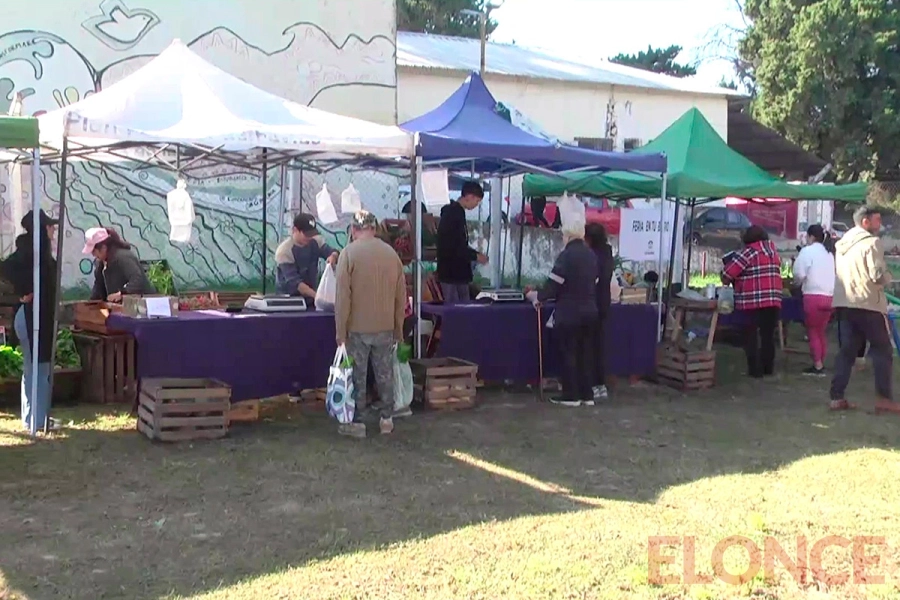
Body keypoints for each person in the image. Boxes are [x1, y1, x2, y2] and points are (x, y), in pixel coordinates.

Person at [335, 211, 407, 436]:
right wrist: (398, 328)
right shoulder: (391, 254)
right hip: (385, 326)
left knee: (358, 375)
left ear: (353, 230)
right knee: (384, 372)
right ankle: (387, 419)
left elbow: (342, 298)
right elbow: (400, 296)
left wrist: (340, 331)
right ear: (374, 229)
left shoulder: (348, 254)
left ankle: (357, 422)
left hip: (357, 327)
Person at [829, 205, 897, 413]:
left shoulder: (842, 245)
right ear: (865, 222)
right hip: (868, 302)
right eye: (877, 220)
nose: (880, 225)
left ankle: (836, 396)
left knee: (847, 352)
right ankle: (884, 398)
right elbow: (876, 275)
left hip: (845, 301)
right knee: (883, 350)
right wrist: (889, 278)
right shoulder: (872, 243)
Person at [525, 220, 599, 407]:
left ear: (566, 236)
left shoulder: (566, 256)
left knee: (569, 353)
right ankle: (587, 394)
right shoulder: (591, 255)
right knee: (586, 354)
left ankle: (571, 395)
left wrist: (536, 296)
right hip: (590, 310)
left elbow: (553, 286)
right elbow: (595, 281)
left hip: (569, 312)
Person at [0, 210, 58, 432]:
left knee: (35, 370)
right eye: (50, 226)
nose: (53, 229)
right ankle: (37, 420)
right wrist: (22, 293)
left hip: (36, 315)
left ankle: (34, 418)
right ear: (43, 229)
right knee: (39, 370)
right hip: (32, 316)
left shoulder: (37, 252)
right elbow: (6, 268)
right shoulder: (31, 252)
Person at [722, 225, 783, 378]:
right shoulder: (773, 252)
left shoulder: (748, 253)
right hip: (773, 299)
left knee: (750, 336)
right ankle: (768, 368)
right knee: (768, 336)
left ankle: (755, 371)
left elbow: (727, 274)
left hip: (752, 301)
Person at [791, 224, 835, 376]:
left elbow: (799, 275)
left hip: (813, 297)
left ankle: (817, 365)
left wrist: (796, 283)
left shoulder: (807, 251)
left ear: (810, 236)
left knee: (812, 331)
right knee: (821, 332)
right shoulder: (829, 254)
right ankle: (821, 361)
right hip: (830, 297)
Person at [436, 181, 487, 303]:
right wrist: (474, 255)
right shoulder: (453, 215)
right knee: (456, 310)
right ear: (470, 197)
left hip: (458, 273)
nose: (476, 205)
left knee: (462, 308)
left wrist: (474, 254)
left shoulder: (457, 213)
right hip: (451, 272)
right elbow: (454, 245)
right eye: (477, 201)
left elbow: (459, 243)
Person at [275, 213, 339, 303]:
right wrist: (318, 296)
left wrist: (333, 257)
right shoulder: (284, 251)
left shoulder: (316, 241)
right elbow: (296, 283)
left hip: (312, 300)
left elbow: (333, 251)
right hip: (289, 302)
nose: (309, 238)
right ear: (295, 230)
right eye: (306, 234)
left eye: (311, 234)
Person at [584, 222, 615, 400]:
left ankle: (593, 384)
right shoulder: (607, 253)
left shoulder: (592, 255)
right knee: (599, 345)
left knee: (590, 346)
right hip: (604, 302)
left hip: (592, 303)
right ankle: (600, 384)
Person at [83, 227, 155, 301]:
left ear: (104, 248)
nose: (93, 255)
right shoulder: (100, 265)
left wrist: (122, 293)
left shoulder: (123, 257)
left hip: (141, 304)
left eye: (94, 251)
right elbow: (98, 288)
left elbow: (137, 279)